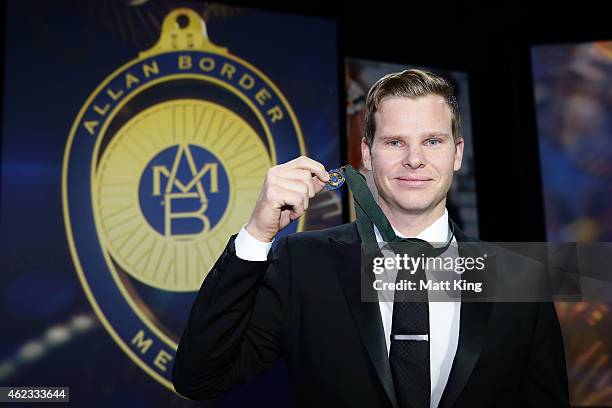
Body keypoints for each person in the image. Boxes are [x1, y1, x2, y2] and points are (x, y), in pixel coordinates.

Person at [172, 69, 570, 407]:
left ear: (457, 153)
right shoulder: (303, 263)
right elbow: (200, 376)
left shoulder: (521, 280)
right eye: (395, 142)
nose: (414, 159)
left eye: (432, 141)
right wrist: (258, 233)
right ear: (366, 152)